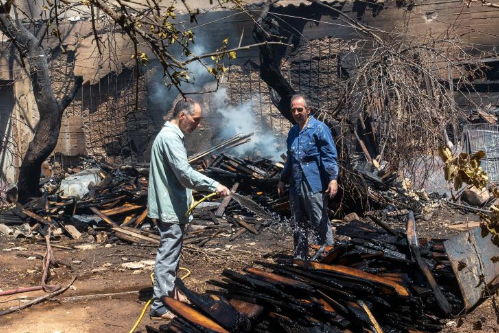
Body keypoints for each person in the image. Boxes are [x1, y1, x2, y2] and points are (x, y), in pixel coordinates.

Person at [148, 98, 230, 319]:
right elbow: (184, 174)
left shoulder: (171, 136)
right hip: (170, 207)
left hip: (173, 205)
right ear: (182, 116)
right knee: (168, 255)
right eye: (196, 120)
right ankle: (160, 305)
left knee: (172, 253)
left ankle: (171, 292)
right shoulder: (169, 138)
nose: (198, 125)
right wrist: (214, 185)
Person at [278, 94, 339, 260]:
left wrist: (333, 179)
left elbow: (329, 156)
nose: (297, 113)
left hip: (314, 183)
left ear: (308, 110)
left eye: (300, 109)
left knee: (319, 219)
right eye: (294, 110)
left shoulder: (319, 129)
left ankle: (327, 256)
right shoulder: (293, 132)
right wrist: (283, 179)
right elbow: (290, 159)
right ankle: (300, 257)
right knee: (298, 222)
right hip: (296, 183)